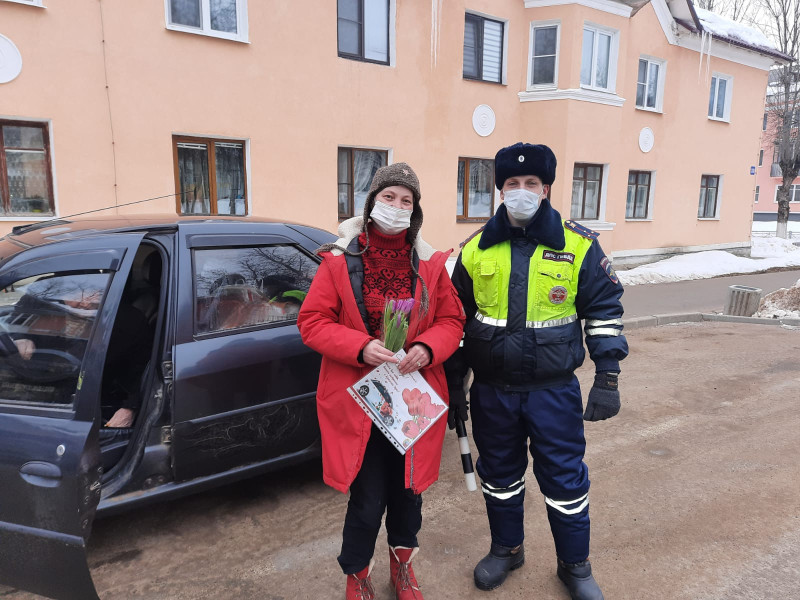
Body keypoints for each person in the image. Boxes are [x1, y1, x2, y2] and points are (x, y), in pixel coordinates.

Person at [444, 143, 628, 600]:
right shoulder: (474, 250)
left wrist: (607, 375)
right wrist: (454, 384)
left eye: (531, 184)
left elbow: (603, 310)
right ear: (500, 190)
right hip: (492, 392)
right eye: (512, 185)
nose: (521, 192)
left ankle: (575, 566)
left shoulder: (578, 244)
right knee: (500, 478)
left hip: (552, 392)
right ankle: (507, 549)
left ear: (546, 189)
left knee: (565, 481)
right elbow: (456, 321)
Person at [297, 162, 465, 600]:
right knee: (368, 500)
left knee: (409, 494)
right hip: (361, 404)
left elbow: (451, 319)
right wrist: (359, 346)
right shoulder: (339, 261)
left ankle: (402, 568)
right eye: (389, 198)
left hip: (411, 400)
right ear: (372, 203)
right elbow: (312, 321)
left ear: (416, 211)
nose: (396, 207)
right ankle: (357, 575)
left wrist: (427, 348)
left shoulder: (429, 264)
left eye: (406, 201)